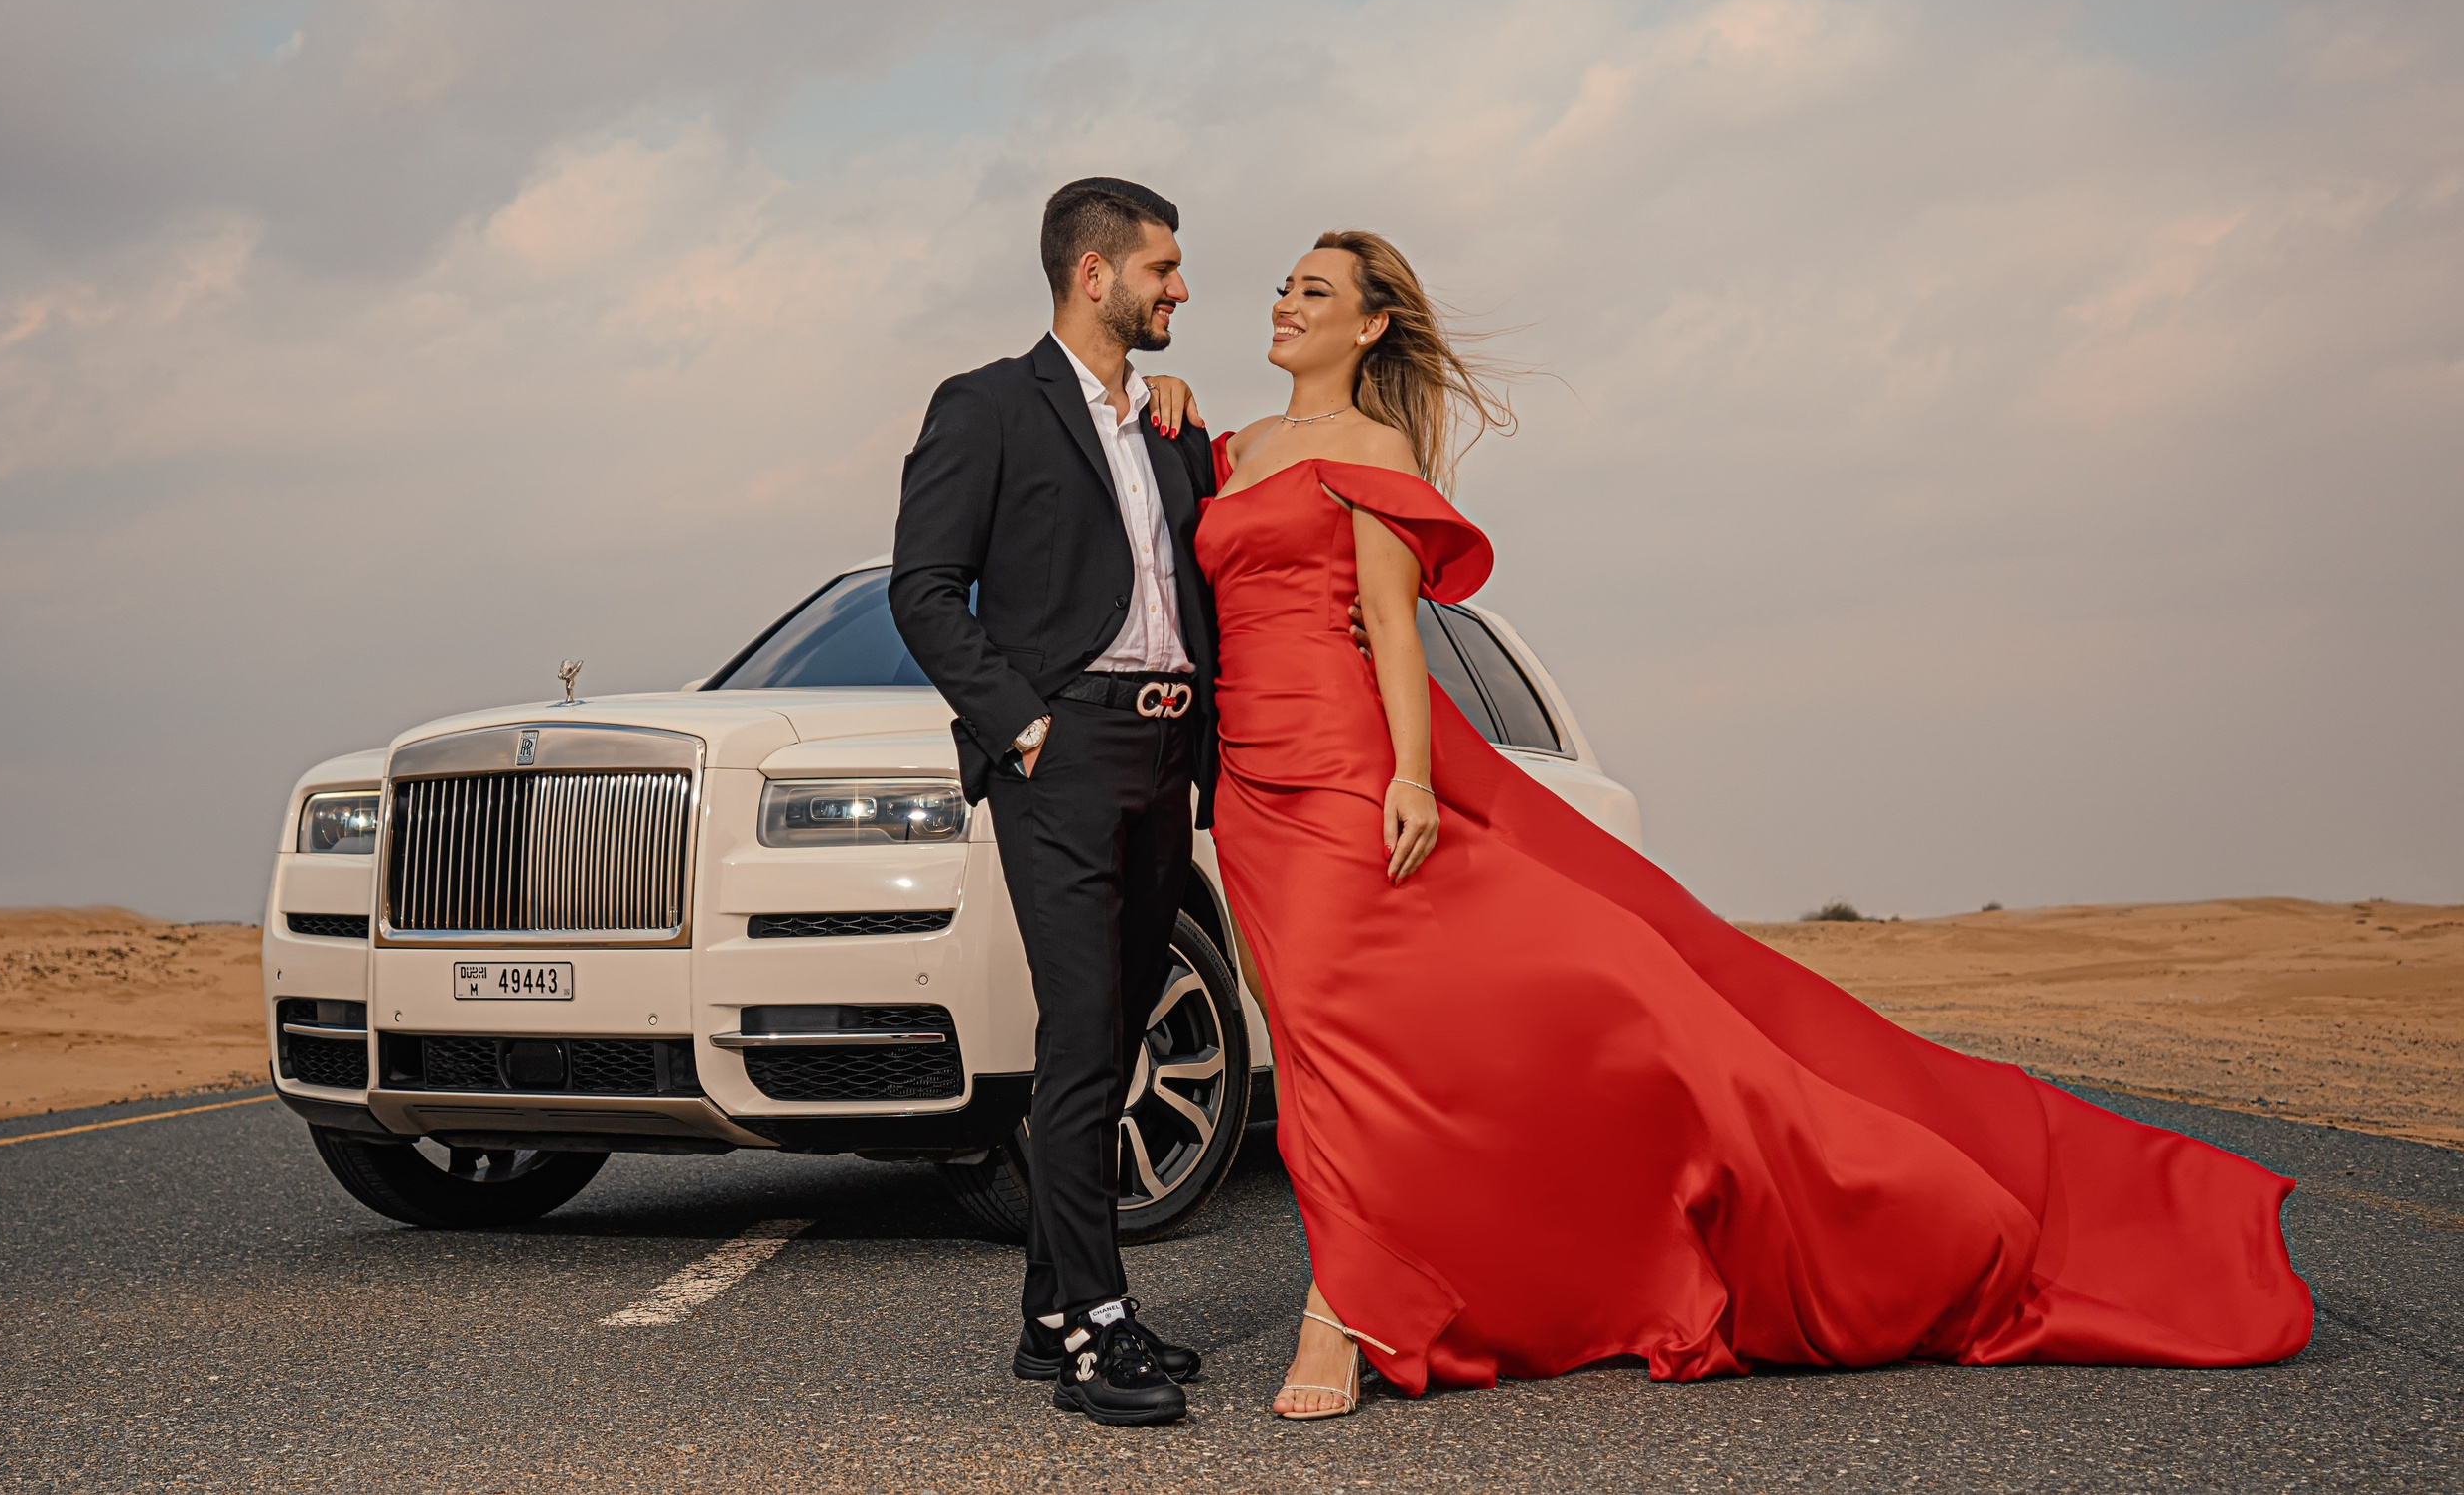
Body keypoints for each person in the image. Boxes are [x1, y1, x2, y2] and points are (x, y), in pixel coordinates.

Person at [1192, 230, 2314, 1420]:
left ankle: (1344, 1312)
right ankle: (1435, 1265)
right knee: (1311, 1036)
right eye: (1281, 286)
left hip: (1340, 766)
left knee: (1369, 1043)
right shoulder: (1235, 450)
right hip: (1247, 787)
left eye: (1312, 291)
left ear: (1368, 326)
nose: (1283, 304)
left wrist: (1410, 774)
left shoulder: (1371, 449)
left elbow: (1390, 621)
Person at [890, 177, 1220, 1427]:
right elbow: (924, 588)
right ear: (1095, 274)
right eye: (1164, 268)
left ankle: (1046, 1309)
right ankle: (1096, 1323)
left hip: (1164, 754)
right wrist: (1022, 726)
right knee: (1081, 1028)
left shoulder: (1170, 425)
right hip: (1062, 752)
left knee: (1120, 1025)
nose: (1180, 289)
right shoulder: (986, 406)